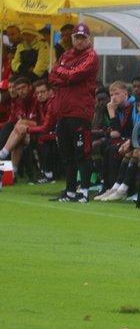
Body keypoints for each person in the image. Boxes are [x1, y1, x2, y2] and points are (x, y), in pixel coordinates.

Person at [48, 23, 99, 203]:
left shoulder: (91, 56)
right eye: (77, 37)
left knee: (82, 152)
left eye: (83, 37)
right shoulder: (66, 54)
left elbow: (75, 75)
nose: (79, 41)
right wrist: (65, 74)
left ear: (88, 39)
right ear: (72, 39)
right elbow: (52, 75)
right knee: (67, 154)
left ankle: (84, 191)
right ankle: (70, 191)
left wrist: (64, 74)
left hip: (80, 111)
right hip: (63, 111)